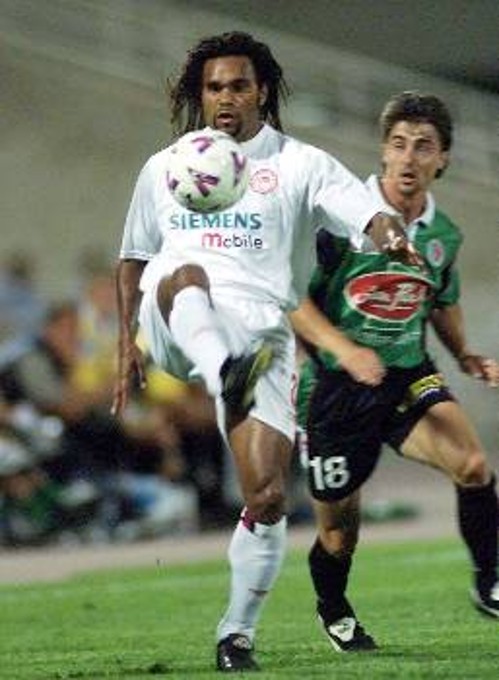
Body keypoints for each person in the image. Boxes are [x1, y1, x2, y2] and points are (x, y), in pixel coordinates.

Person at [112, 32, 418, 673]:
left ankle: (236, 635)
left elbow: (367, 212)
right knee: (183, 274)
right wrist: (123, 345)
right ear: (200, 94)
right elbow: (134, 257)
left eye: (238, 86)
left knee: (268, 494)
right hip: (178, 316)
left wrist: (392, 236)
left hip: (261, 338)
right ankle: (224, 370)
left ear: (262, 91)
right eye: (214, 87)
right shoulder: (168, 165)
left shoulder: (301, 164)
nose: (225, 98)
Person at [292, 91, 499, 654]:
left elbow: (440, 299)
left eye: (423, 146)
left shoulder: (443, 234)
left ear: (443, 159)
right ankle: (334, 608)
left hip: (407, 374)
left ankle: (489, 580)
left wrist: (463, 354)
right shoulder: (339, 220)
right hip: (334, 388)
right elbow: (292, 301)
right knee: (339, 533)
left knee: (473, 464)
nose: (409, 158)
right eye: (399, 144)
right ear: (383, 152)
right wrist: (343, 350)